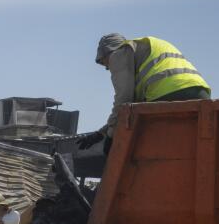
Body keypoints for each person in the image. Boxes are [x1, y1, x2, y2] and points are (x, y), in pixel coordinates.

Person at [79, 34, 210, 153]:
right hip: (200, 92)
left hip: (166, 94)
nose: (108, 68)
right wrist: (101, 133)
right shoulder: (143, 50)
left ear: (108, 51)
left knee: (138, 149)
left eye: (104, 62)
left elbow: (124, 99)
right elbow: (131, 104)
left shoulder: (118, 53)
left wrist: (112, 135)